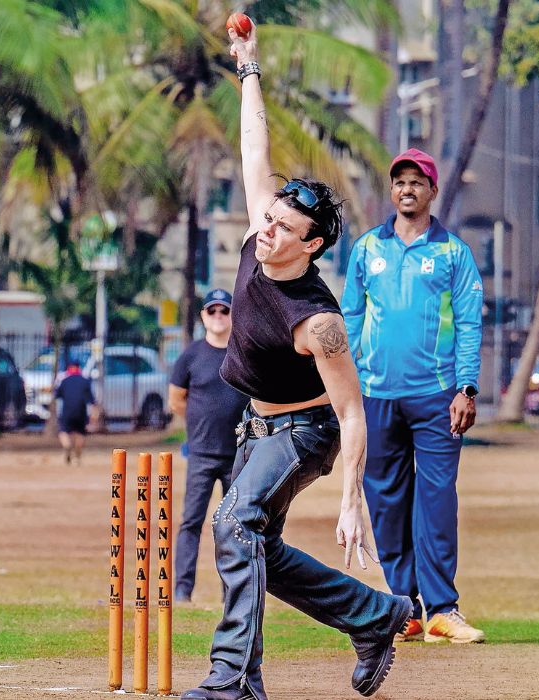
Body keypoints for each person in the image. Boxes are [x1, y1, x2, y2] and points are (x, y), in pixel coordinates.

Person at [181, 20, 411, 700]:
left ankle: (231, 682)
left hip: (304, 433)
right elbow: (256, 145)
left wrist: (351, 502)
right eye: (272, 216)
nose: (269, 227)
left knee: (231, 524)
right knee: (251, 547)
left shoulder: (319, 322)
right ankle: (374, 617)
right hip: (255, 426)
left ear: (311, 247)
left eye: (285, 227)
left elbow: (350, 410)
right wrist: (249, 68)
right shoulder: (260, 235)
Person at [340, 148, 485, 644]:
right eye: (399, 181)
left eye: (416, 182)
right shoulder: (365, 249)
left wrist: (466, 387)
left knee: (437, 500)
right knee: (386, 503)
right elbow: (350, 319)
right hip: (376, 395)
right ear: (392, 189)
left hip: (437, 395)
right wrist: (346, 384)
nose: (407, 189)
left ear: (432, 191)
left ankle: (443, 608)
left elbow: (469, 323)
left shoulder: (452, 253)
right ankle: (406, 607)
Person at [168, 288, 249, 603]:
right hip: (201, 454)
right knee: (191, 521)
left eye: (224, 311)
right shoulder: (191, 354)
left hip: (239, 455)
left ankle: (231, 592)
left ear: (233, 316)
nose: (218, 317)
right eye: (212, 311)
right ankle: (182, 590)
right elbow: (176, 400)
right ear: (203, 316)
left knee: (233, 525)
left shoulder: (243, 352)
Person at [55, 360, 94, 465]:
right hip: (81, 411)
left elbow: (57, 395)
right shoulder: (85, 381)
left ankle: (67, 446)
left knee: (63, 431)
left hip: (67, 410)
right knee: (80, 433)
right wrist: (95, 413)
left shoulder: (64, 380)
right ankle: (77, 457)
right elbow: (91, 400)